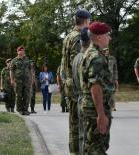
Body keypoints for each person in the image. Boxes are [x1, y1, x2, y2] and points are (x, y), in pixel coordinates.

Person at [79, 21, 113, 154]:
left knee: (92, 146)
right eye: (107, 35)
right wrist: (101, 114)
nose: (109, 38)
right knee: (96, 149)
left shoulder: (90, 53)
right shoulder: (96, 57)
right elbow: (95, 86)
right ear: (99, 37)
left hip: (91, 108)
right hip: (95, 110)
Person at [60, 9, 90, 155]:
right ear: (86, 20)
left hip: (69, 84)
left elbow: (62, 65)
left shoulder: (67, 36)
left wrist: (65, 81)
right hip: (77, 87)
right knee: (80, 126)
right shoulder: (78, 37)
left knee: (73, 125)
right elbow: (78, 65)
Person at [72, 27, 90, 155]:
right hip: (88, 101)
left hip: (79, 98)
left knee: (81, 135)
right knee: (90, 138)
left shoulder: (76, 58)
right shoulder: (87, 58)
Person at [10, 46, 32, 115]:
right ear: (18, 52)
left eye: (23, 50)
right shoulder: (14, 60)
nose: (22, 51)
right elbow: (11, 71)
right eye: (20, 50)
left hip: (26, 81)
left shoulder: (27, 59)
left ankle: (25, 109)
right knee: (19, 95)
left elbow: (30, 70)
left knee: (26, 95)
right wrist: (12, 79)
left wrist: (32, 78)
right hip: (18, 81)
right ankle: (19, 109)